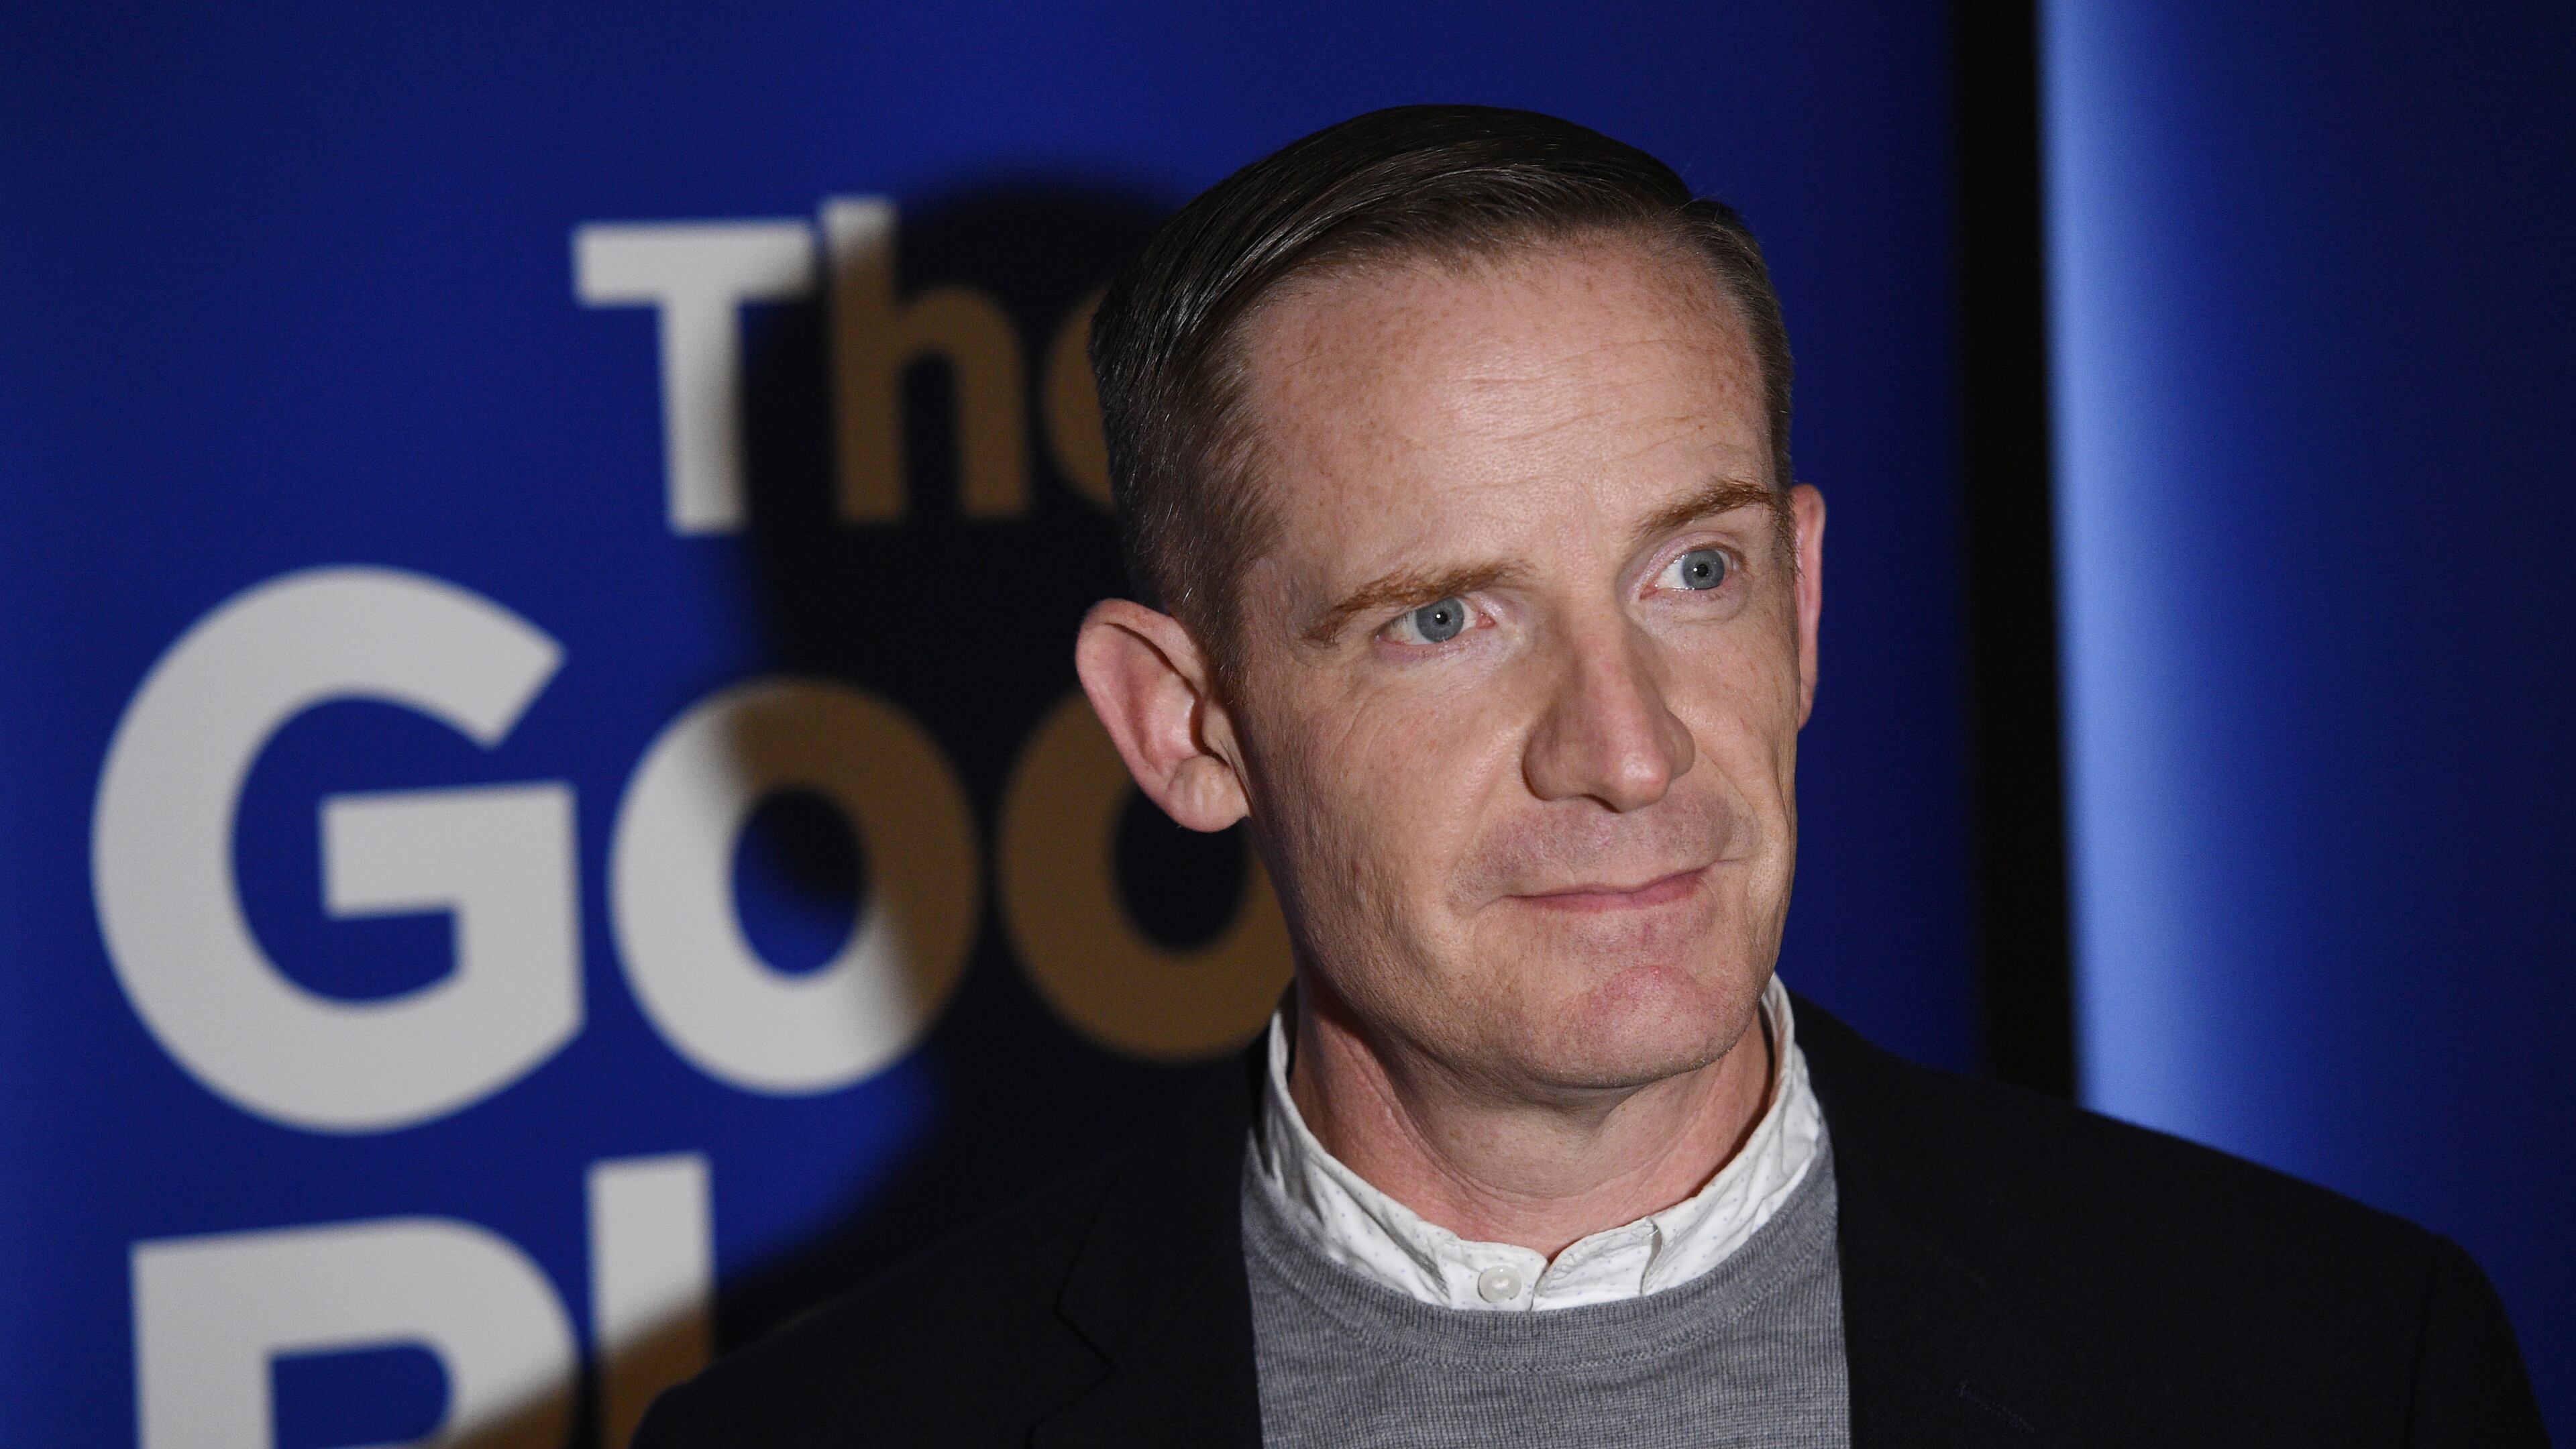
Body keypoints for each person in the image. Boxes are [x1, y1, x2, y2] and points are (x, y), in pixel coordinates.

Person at [633, 105, 2544, 1448]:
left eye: (1693, 574)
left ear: (1804, 600)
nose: (1628, 752)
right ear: (1186, 725)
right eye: (1443, 618)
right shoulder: (825, 1432)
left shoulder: (2332, 1365)